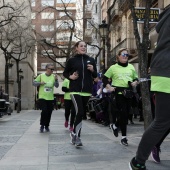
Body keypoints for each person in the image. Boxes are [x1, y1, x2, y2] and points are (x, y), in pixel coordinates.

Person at [129, 7, 170, 170]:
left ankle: (138, 161)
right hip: (167, 71)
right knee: (161, 122)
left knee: (161, 122)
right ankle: (138, 162)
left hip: (163, 70)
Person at [63, 41, 97, 147]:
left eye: (85, 46)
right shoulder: (72, 60)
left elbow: (96, 75)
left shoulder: (91, 60)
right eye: (81, 46)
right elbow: (65, 72)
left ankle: (74, 134)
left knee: (80, 113)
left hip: (86, 91)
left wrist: (92, 70)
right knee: (80, 111)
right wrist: (70, 77)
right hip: (75, 90)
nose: (83, 47)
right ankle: (77, 136)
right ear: (76, 48)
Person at [102, 48, 138, 146]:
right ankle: (124, 137)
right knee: (123, 114)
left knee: (125, 115)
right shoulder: (113, 67)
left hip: (129, 93)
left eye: (127, 55)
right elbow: (105, 78)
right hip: (118, 94)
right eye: (123, 54)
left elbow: (135, 78)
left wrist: (135, 82)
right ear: (118, 56)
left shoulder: (131, 66)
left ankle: (115, 125)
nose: (125, 56)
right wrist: (109, 87)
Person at [33, 63, 59, 133]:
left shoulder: (53, 76)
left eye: (53, 69)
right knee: (44, 111)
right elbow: (34, 83)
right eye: (51, 69)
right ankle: (42, 125)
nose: (52, 70)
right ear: (47, 69)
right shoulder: (41, 76)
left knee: (49, 112)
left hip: (50, 98)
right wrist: (40, 83)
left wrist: (56, 80)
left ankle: (47, 126)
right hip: (42, 97)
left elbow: (56, 86)